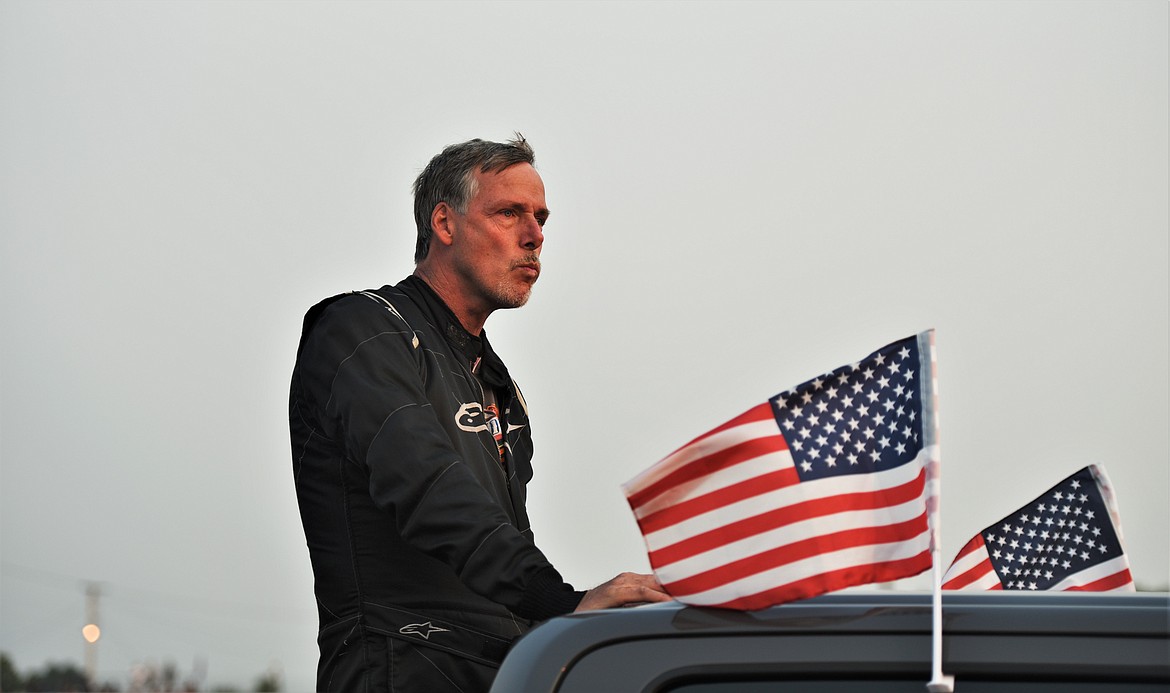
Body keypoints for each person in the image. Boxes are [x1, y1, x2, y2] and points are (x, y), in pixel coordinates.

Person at [289, 135, 671, 692]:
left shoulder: (496, 383)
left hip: (500, 674)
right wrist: (563, 604)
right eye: (508, 212)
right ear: (445, 224)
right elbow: (427, 486)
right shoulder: (361, 329)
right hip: (399, 668)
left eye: (540, 217)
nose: (535, 236)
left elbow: (506, 547)